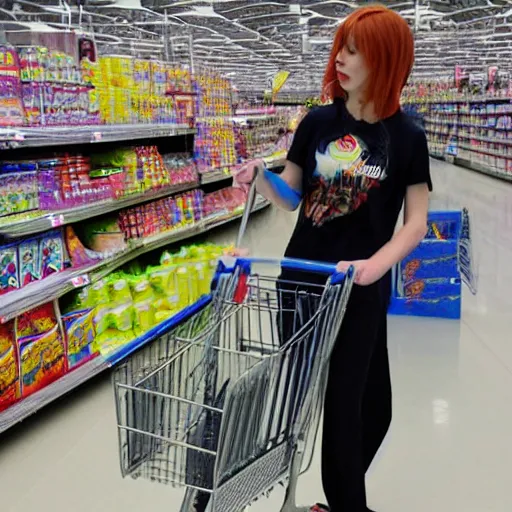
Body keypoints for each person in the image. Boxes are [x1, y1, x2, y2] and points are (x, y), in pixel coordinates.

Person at [233, 5, 432, 512]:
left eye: (354, 49)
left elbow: (415, 222)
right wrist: (261, 176)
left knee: (377, 408)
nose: (339, 58)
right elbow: (291, 195)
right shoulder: (318, 121)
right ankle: (346, 504)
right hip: (303, 280)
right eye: (340, 47)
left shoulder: (407, 136)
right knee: (337, 406)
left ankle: (338, 490)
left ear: (385, 60)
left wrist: (375, 266)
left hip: (361, 288)